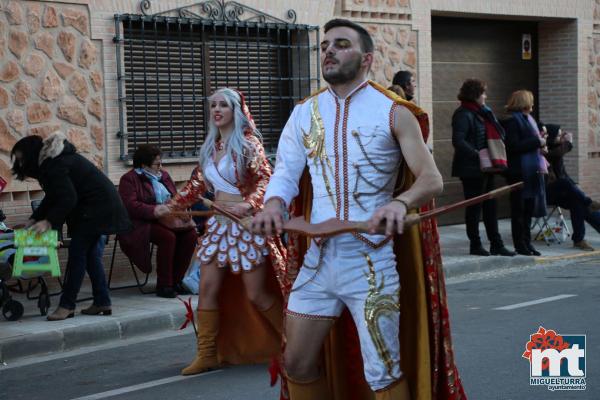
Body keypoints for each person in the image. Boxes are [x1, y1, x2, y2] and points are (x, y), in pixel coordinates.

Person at [252, 18, 466, 400]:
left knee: (382, 372)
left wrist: (400, 203)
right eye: (325, 45)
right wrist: (272, 204)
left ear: (367, 58)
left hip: (370, 265)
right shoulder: (304, 112)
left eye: (341, 44)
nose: (329, 51)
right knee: (296, 363)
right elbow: (285, 173)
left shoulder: (394, 111)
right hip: (318, 263)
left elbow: (430, 179)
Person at [169, 88, 286, 378]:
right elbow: (197, 185)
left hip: (246, 226)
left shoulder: (249, 145)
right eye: (213, 106)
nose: (217, 110)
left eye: (223, 105)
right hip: (218, 227)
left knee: (257, 294)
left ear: (236, 110)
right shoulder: (211, 147)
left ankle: (294, 342)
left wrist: (250, 204)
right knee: (206, 288)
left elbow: (266, 179)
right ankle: (206, 354)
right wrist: (170, 206)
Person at [10, 133, 131, 321]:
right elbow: (53, 196)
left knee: (77, 255)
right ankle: (102, 301)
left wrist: (49, 221)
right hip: (97, 209)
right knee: (90, 256)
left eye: (21, 159)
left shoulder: (56, 164)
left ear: (31, 155)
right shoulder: (54, 162)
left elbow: (68, 198)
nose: (20, 164)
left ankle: (67, 306)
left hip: (96, 211)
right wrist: (34, 219)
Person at [117, 144, 198, 298]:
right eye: (157, 164)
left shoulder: (164, 176)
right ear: (143, 164)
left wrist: (182, 209)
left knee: (191, 235)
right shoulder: (129, 179)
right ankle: (164, 284)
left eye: (161, 163)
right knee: (168, 237)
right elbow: (130, 206)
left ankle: (176, 280)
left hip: (167, 219)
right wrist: (154, 210)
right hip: (141, 223)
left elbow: (175, 197)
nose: (161, 167)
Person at [451, 79, 515, 256]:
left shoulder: (482, 113)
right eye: (483, 93)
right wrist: (478, 155)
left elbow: (499, 133)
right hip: (471, 169)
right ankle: (475, 245)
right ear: (475, 95)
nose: (485, 96)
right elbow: (458, 141)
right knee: (474, 208)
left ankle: (497, 244)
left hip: (487, 167)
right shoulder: (463, 114)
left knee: (490, 206)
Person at [501, 90, 547, 256]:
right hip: (518, 171)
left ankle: (527, 243)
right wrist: (537, 141)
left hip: (530, 170)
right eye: (531, 101)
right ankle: (520, 244)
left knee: (528, 209)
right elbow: (513, 146)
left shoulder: (529, 120)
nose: (533, 104)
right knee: (519, 209)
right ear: (524, 103)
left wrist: (540, 141)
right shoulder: (513, 121)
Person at [543, 124, 600, 250]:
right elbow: (554, 155)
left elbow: (563, 173)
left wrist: (575, 188)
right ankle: (590, 202)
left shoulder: (556, 151)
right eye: (558, 135)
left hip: (558, 192)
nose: (560, 137)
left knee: (578, 203)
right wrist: (568, 143)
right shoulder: (544, 150)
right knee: (566, 184)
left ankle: (579, 240)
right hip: (544, 193)